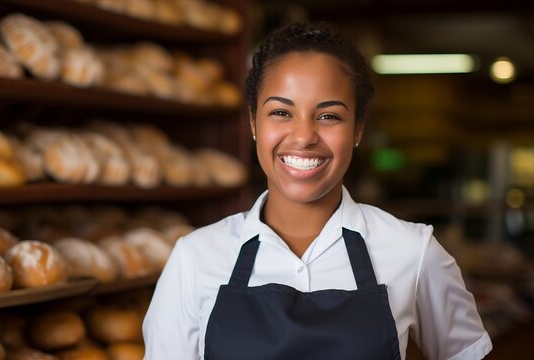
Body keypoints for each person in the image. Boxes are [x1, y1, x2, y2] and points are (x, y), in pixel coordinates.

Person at [142, 21, 492, 360]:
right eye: (281, 112)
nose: (303, 136)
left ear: (358, 129)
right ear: (252, 122)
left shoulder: (413, 253)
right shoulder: (195, 258)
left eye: (328, 116)